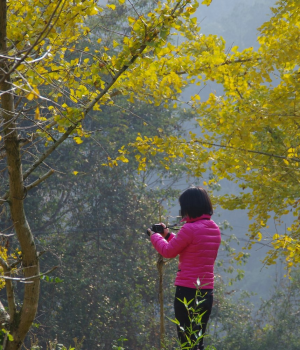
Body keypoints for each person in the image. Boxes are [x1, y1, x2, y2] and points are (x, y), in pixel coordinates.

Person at [147, 187, 221, 350]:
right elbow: (189, 246)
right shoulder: (214, 228)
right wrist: (167, 235)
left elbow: (168, 251)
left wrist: (154, 236)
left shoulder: (189, 229)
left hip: (187, 292)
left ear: (189, 207)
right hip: (206, 292)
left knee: (186, 341)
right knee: (198, 341)